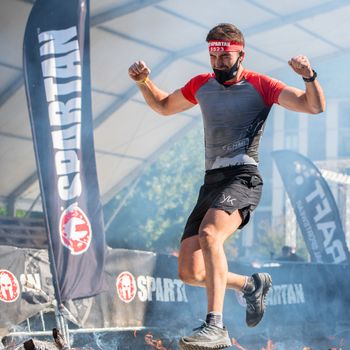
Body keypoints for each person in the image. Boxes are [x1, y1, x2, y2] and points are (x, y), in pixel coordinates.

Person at [128, 23, 325, 349]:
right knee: (190, 272)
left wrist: (309, 75)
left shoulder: (261, 85)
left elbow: (313, 105)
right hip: (211, 184)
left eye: (224, 56)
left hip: (243, 178)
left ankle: (215, 325)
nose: (217, 63)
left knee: (209, 235)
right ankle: (249, 285)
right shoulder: (201, 85)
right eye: (213, 57)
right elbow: (163, 106)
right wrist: (143, 82)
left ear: (240, 54)